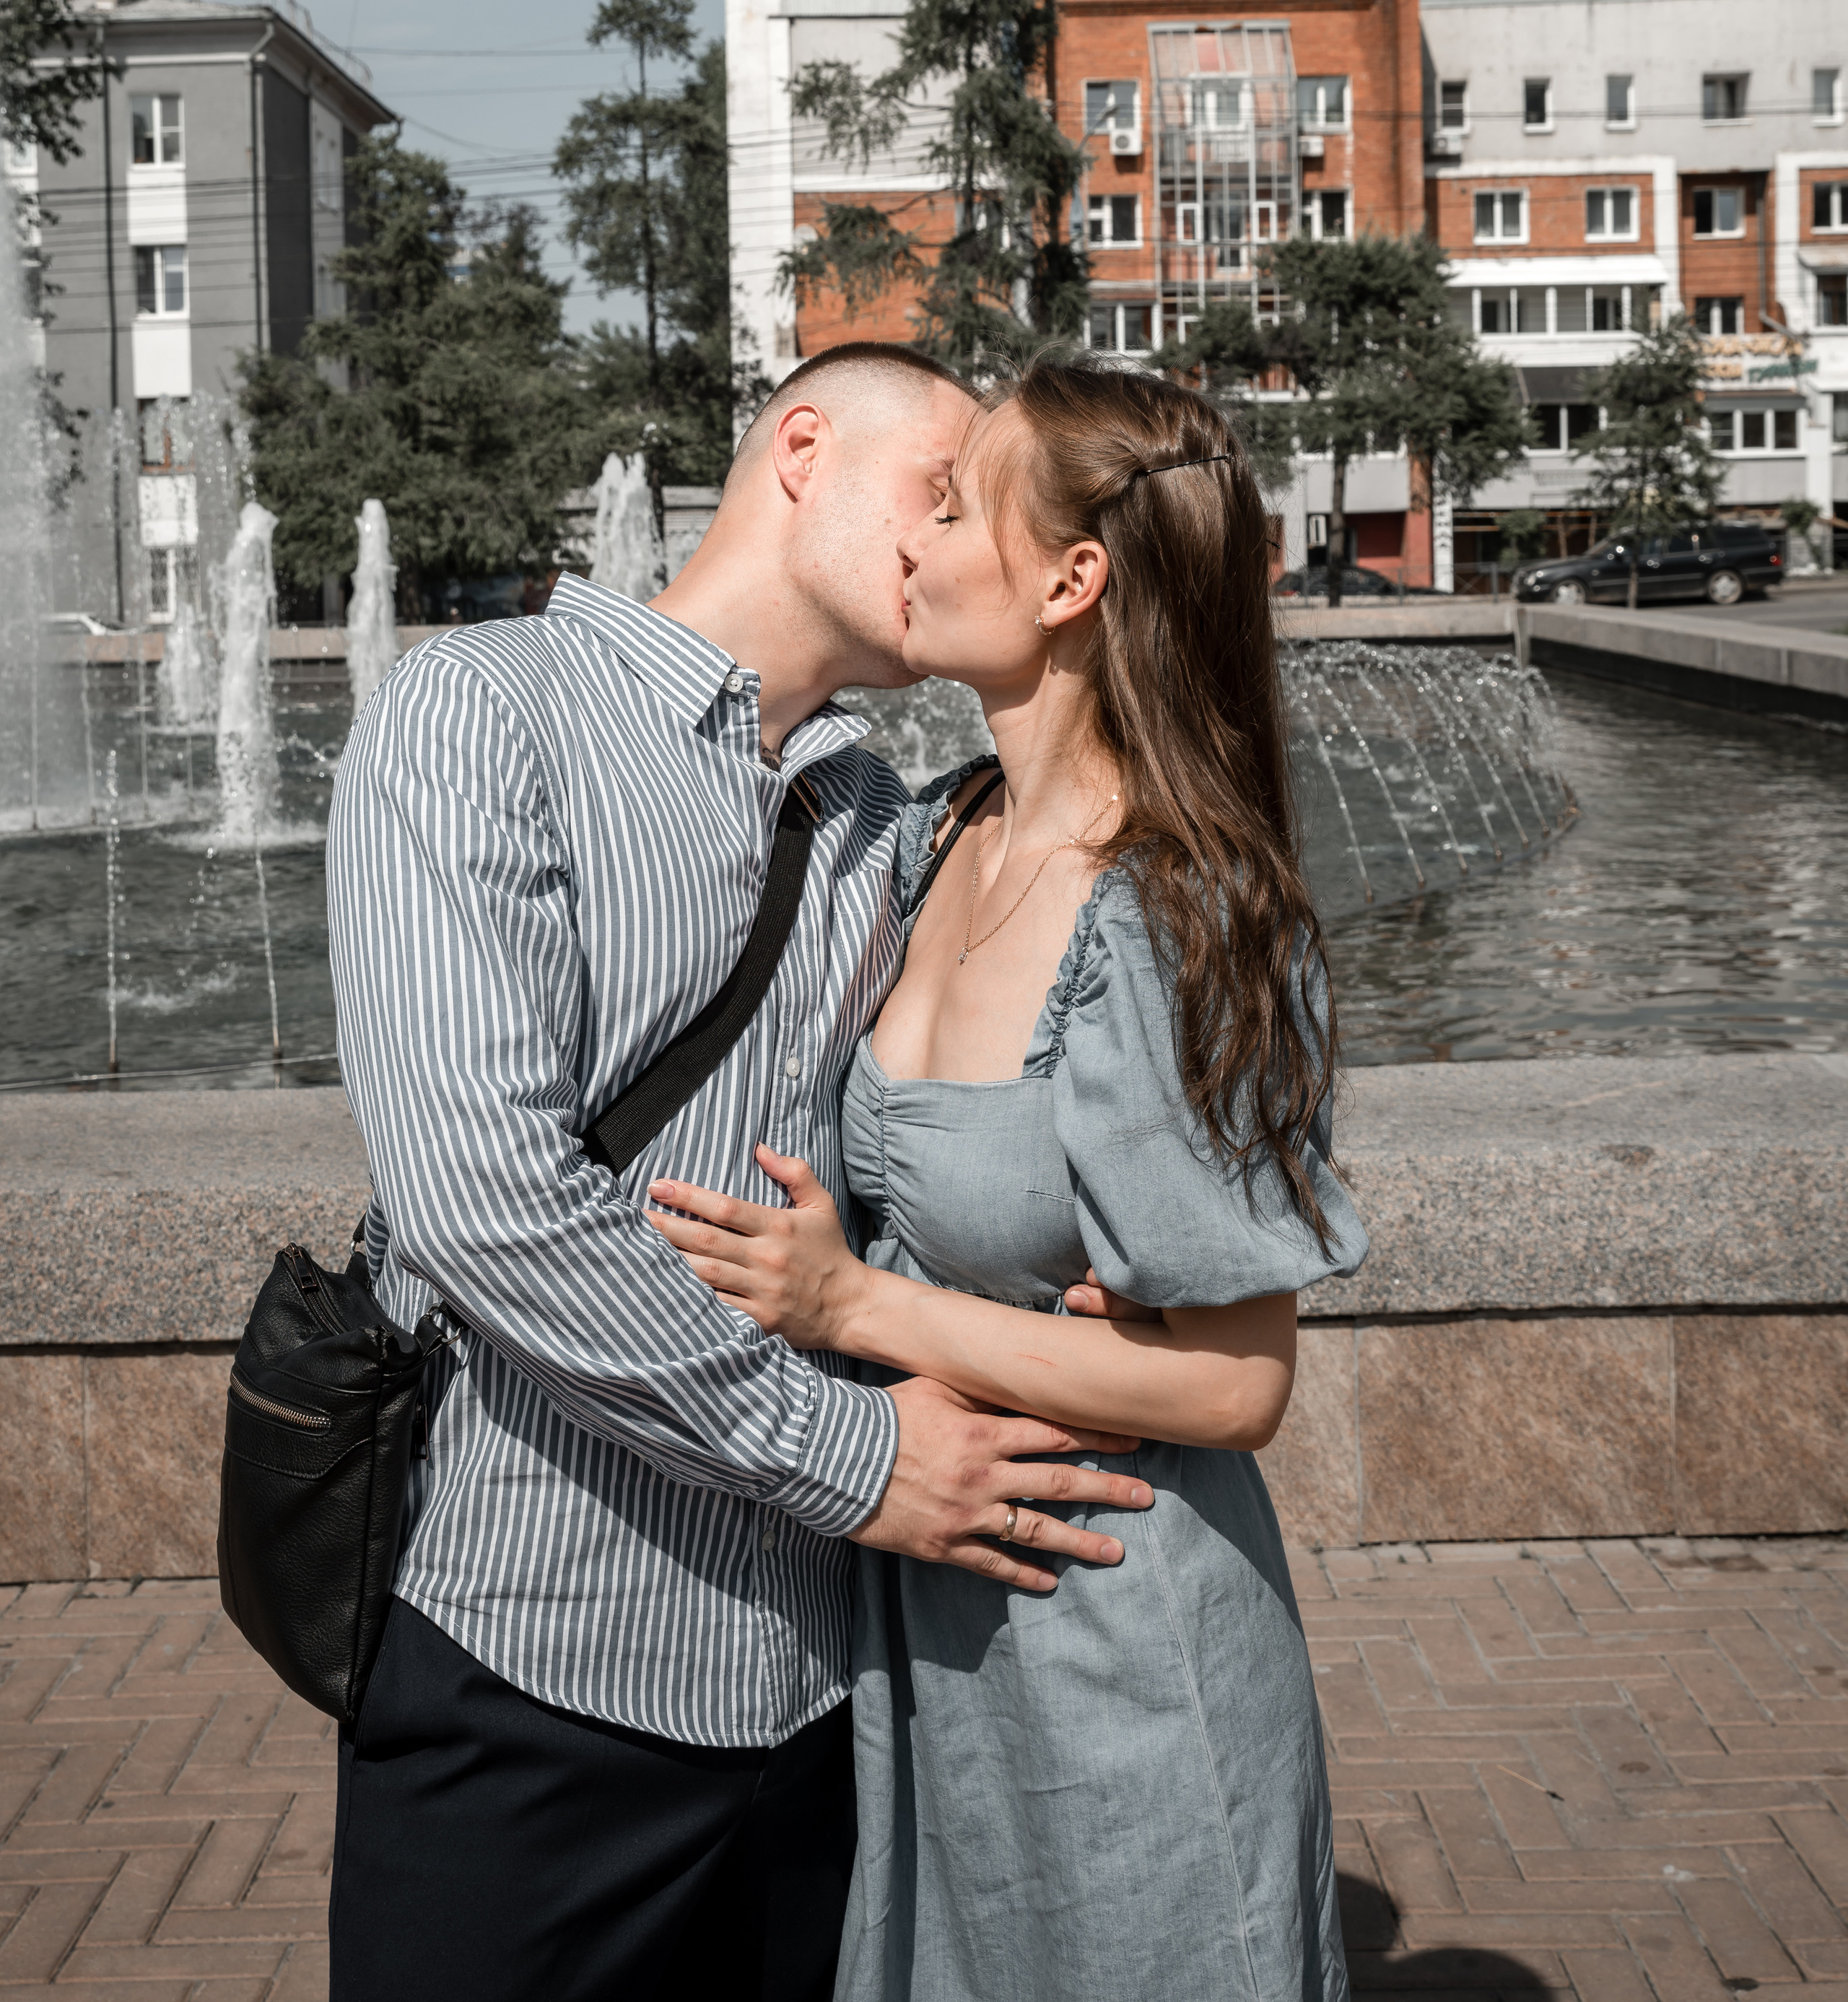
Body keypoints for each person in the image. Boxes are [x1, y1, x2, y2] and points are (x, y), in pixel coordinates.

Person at [322, 340, 1154, 2002]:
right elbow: (483, 1200)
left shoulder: (883, 814)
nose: (960, 539)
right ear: (801, 448)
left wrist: (1069, 1270)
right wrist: (851, 1456)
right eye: (940, 491)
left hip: (828, 1690)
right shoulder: (483, 710)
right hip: (538, 1653)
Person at [648, 358, 1370, 2002]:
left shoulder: (1179, 912)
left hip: (1115, 1639)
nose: (909, 539)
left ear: (1069, 581)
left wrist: (856, 1305)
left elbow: (1236, 1383)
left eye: (955, 506)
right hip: (929, 1641)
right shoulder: (928, 835)